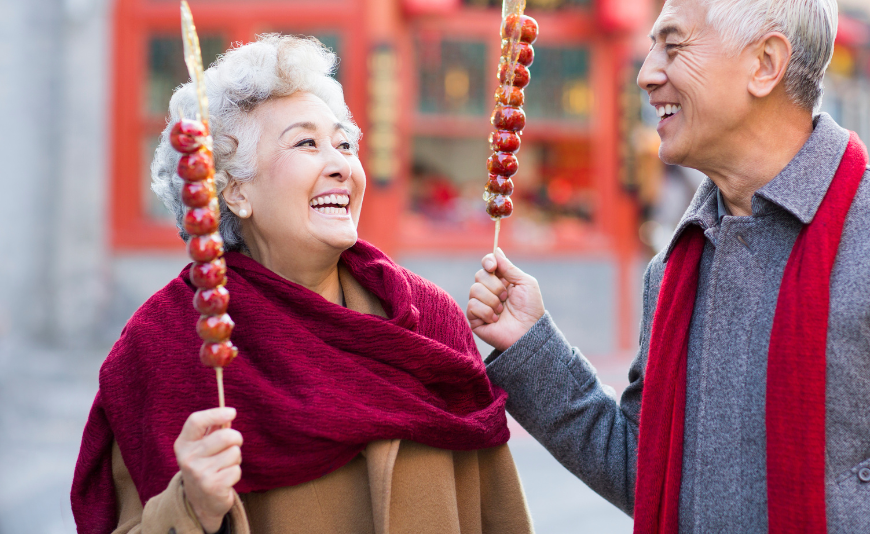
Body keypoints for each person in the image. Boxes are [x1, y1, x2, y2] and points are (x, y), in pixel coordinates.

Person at [468, 0, 870, 533]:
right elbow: (651, 477)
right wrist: (532, 347)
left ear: (765, 64)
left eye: (673, 46)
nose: (647, 73)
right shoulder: (677, 266)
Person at [72, 35, 533, 534]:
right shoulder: (166, 342)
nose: (340, 164)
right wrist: (191, 507)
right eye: (306, 143)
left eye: (343, 144)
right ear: (235, 191)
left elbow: (496, 510)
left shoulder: (427, 320)